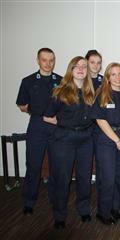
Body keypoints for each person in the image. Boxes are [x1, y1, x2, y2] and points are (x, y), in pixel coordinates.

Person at [43, 56, 94, 229]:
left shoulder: (90, 92)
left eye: (84, 66)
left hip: (86, 139)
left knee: (84, 177)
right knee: (62, 179)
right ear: (71, 70)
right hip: (64, 139)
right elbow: (47, 116)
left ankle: (84, 209)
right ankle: (59, 215)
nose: (81, 69)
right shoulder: (60, 91)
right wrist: (65, 124)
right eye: (77, 66)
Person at [16, 47, 62, 216]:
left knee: (56, 166)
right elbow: (22, 106)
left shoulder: (61, 81)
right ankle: (29, 201)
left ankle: (55, 197)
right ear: (38, 60)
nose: (48, 63)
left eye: (51, 60)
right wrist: (39, 113)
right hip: (36, 126)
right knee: (33, 165)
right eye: (44, 60)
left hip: (56, 126)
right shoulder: (27, 81)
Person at [91, 62, 120, 225]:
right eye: (113, 74)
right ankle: (103, 212)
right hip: (107, 140)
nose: (117, 77)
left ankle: (114, 208)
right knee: (108, 178)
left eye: (119, 74)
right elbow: (100, 120)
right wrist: (117, 140)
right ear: (108, 78)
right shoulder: (102, 94)